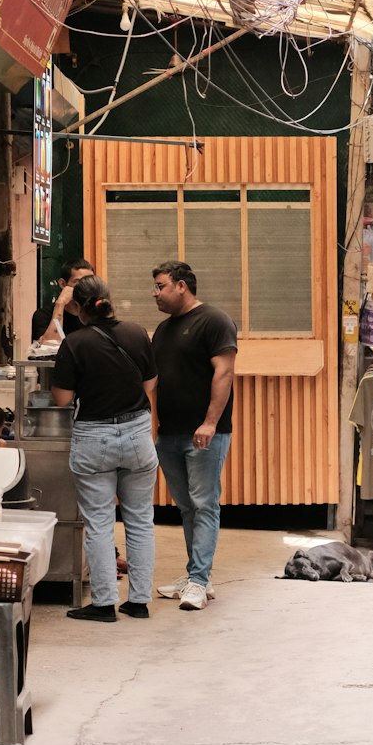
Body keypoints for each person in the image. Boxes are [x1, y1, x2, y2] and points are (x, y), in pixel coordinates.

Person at [51, 274, 157, 621]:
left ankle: (103, 603)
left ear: (79, 308)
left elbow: (63, 398)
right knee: (140, 520)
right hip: (138, 434)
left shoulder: (75, 343)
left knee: (98, 522)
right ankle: (139, 601)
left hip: (94, 438)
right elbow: (149, 383)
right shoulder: (137, 333)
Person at [150, 261, 237, 612]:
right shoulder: (163, 329)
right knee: (187, 506)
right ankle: (197, 574)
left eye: (160, 286)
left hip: (204, 434)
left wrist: (210, 422)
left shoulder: (214, 321)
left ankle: (199, 581)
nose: (155, 293)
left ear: (182, 285)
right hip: (169, 433)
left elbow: (225, 371)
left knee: (204, 504)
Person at [31, 256, 95, 346]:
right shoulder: (43, 315)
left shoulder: (94, 316)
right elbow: (49, 348)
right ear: (63, 284)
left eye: (89, 282)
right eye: (79, 282)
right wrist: (60, 304)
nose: (86, 287)